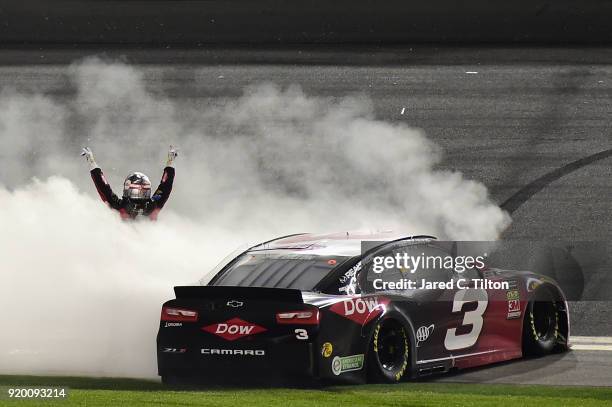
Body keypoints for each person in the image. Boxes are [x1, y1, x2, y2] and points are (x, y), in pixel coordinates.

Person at [81, 146, 177, 220]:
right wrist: (170, 163)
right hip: (143, 243)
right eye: (137, 190)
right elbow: (166, 186)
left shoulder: (119, 206)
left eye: (142, 190)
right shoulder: (154, 205)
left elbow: (103, 187)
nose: (139, 193)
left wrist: (92, 163)